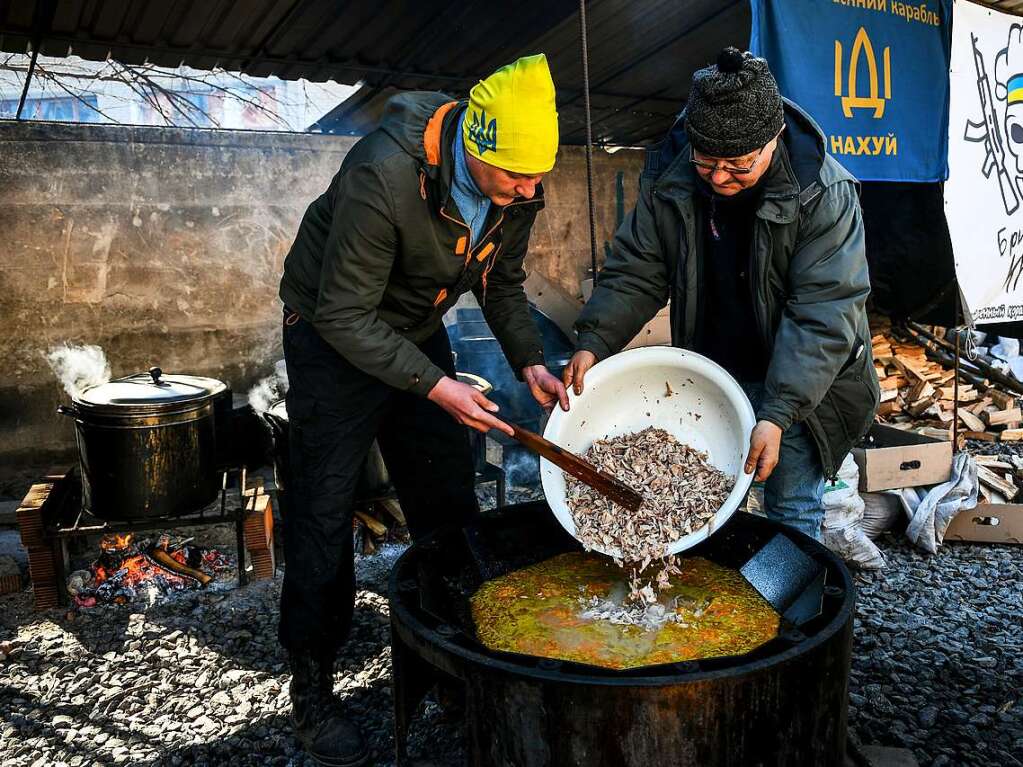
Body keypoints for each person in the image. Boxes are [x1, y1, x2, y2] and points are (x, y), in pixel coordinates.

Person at [277, 54, 569, 766]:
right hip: (329, 333)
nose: (528, 192)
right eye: (515, 178)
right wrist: (439, 386)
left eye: (537, 177)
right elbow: (344, 313)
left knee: (445, 489)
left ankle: (447, 651)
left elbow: (501, 283)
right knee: (322, 505)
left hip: (408, 328)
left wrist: (530, 357)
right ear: (475, 144)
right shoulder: (383, 173)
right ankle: (313, 682)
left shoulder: (518, 183)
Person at [563, 47, 879, 542]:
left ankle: (793, 615)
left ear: (772, 139)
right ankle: (714, 614)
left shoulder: (824, 194)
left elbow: (823, 313)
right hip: (712, 369)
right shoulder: (670, 178)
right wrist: (593, 340)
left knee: (791, 505)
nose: (718, 177)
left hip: (800, 379)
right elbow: (636, 270)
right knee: (702, 499)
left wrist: (778, 413)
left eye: (737, 164)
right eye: (706, 162)